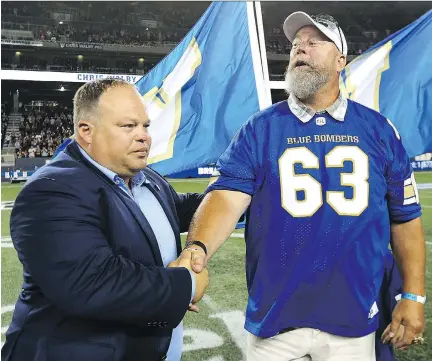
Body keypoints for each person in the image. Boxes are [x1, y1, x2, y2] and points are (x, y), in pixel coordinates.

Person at [179, 12, 426, 361]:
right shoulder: (260, 129)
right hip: (276, 323)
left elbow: (405, 219)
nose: (300, 50)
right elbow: (226, 196)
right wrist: (197, 249)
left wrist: (413, 297)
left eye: (313, 43)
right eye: (295, 45)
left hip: (353, 322)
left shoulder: (379, 130)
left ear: (341, 60)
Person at [3, 79, 209, 361]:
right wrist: (187, 284)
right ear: (86, 131)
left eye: (145, 126)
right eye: (128, 126)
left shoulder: (145, 178)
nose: (143, 136)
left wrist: (238, 194)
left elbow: (185, 209)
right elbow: (92, 283)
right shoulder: (50, 190)